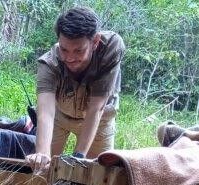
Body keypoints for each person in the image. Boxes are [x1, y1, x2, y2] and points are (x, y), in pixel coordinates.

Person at [26, 7, 125, 172]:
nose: (70, 58)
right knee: (42, 172)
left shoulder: (111, 47)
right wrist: (42, 154)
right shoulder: (49, 63)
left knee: (99, 175)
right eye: (64, 49)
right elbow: (46, 113)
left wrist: (78, 157)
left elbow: (97, 107)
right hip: (60, 115)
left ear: (95, 42)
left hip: (100, 118)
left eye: (79, 50)